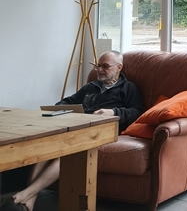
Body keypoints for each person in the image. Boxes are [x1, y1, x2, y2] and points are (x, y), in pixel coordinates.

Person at [1, 51, 144, 211]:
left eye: (105, 66)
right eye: (98, 66)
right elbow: (67, 101)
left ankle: (25, 195)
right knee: (48, 148)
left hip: (101, 131)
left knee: (66, 152)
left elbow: (137, 112)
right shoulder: (91, 86)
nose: (99, 70)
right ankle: (30, 200)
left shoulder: (129, 88)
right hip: (78, 127)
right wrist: (59, 109)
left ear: (119, 67)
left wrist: (114, 112)